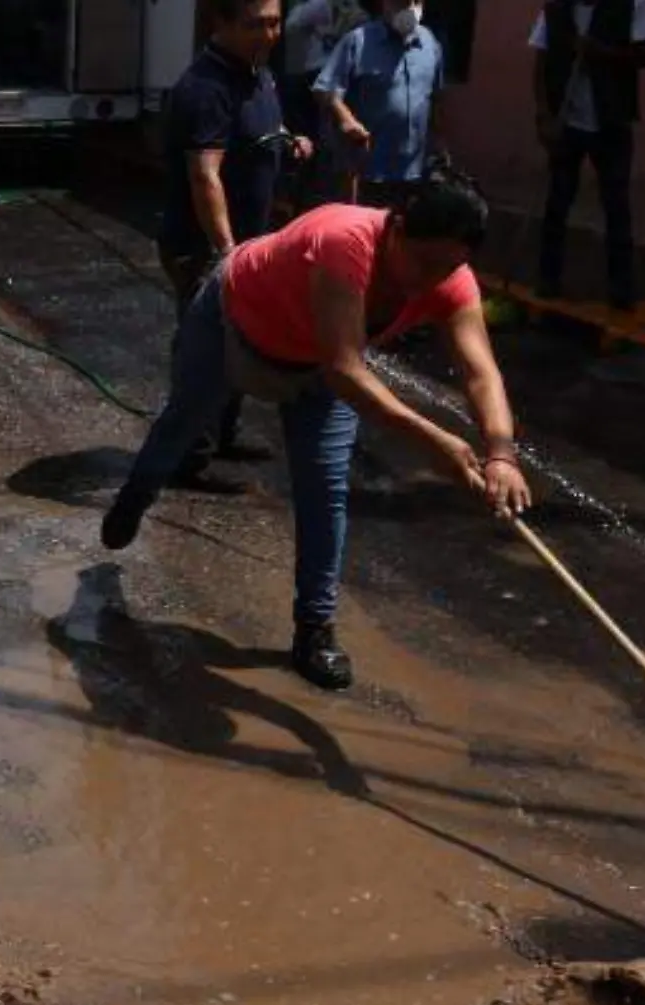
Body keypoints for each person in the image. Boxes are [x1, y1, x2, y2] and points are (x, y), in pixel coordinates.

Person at [100, 166, 533, 692]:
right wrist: (433, 441)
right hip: (235, 321)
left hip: (313, 363)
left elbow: (479, 371)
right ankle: (137, 494)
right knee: (184, 423)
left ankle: (314, 630)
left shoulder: (450, 280)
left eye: (447, 267)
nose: (428, 279)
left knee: (324, 490)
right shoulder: (344, 243)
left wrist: (501, 454)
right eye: (421, 261)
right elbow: (346, 368)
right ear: (395, 227)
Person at [158, 0, 312, 483]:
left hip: (249, 240)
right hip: (202, 245)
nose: (268, 34)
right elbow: (206, 177)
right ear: (220, 24)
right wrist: (226, 253)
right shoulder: (206, 89)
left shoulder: (256, 73)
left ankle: (221, 436)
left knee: (241, 339)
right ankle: (187, 457)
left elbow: (260, 126)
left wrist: (288, 141)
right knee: (206, 348)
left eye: (274, 22)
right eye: (254, 26)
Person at [531, 0, 645, 312]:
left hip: (611, 122)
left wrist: (601, 53)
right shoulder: (555, 8)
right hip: (567, 120)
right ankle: (548, 280)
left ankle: (621, 290)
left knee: (616, 206)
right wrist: (544, 116)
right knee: (557, 202)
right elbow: (540, 61)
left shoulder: (631, 5)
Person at [314, 0, 443, 209]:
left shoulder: (431, 45)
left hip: (413, 174)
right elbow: (325, 89)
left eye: (416, 1)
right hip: (367, 172)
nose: (410, 8)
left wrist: (438, 146)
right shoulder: (358, 42)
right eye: (402, 2)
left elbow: (435, 99)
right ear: (385, 3)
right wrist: (346, 118)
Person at [280, 0, 365, 204]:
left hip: (339, 79)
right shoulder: (313, 6)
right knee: (305, 142)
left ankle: (323, 188)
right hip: (306, 77)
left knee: (332, 142)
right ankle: (300, 190)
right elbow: (291, 24)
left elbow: (362, 25)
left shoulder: (353, 10)